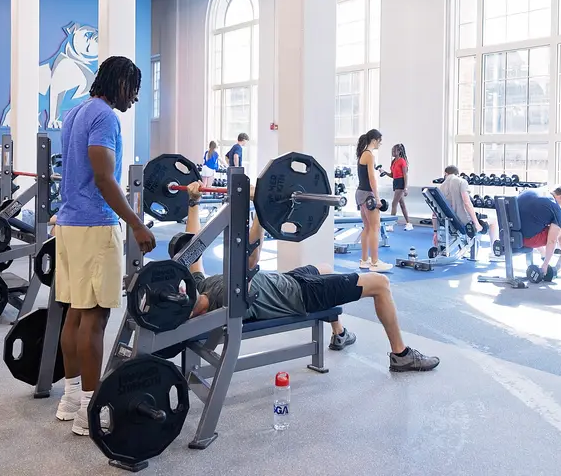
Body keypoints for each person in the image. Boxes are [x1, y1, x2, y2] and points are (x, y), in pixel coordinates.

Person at [183, 181, 440, 372]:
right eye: (180, 298)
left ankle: (339, 333)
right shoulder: (223, 298)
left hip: (289, 280)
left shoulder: (199, 286)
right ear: (194, 313)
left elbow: (193, 249)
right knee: (381, 284)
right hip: (303, 296)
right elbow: (250, 258)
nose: (180, 290)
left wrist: (192, 203)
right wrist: (261, 209)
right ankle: (401, 354)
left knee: (325, 267)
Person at [53, 56, 157, 436]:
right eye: (134, 88)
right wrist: (137, 224)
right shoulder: (105, 117)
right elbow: (103, 177)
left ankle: (70, 398)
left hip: (68, 224)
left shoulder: (75, 112)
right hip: (94, 225)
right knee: (95, 319)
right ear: (120, 82)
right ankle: (90, 410)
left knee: (76, 314)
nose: (135, 97)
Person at [515, 185, 561, 279]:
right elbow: (552, 241)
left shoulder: (530, 191)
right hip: (526, 239)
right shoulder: (555, 208)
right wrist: (545, 264)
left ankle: (544, 254)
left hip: (511, 234)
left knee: (541, 226)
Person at [433, 165, 498, 249]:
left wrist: (435, 232)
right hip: (464, 221)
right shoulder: (461, 182)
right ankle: (494, 251)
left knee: (480, 219)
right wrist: (477, 224)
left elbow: (435, 212)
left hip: (449, 221)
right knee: (493, 221)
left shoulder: (441, 186)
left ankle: (473, 247)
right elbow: (467, 203)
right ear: (457, 174)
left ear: (446, 173)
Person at [355, 129, 392, 272]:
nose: (379, 144)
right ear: (375, 140)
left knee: (367, 227)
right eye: (379, 142)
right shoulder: (369, 155)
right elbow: (372, 178)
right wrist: (376, 197)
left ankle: (365, 260)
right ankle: (375, 263)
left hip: (359, 193)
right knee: (375, 228)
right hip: (367, 194)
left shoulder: (361, 154)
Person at [388, 143, 412, 231]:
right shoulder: (393, 161)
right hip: (395, 182)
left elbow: (405, 175)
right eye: (392, 151)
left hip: (401, 183)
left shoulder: (402, 161)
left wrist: (405, 188)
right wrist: (384, 172)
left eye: (394, 151)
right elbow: (392, 175)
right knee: (402, 204)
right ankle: (409, 223)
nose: (393, 152)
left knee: (394, 203)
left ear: (399, 151)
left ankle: (391, 225)